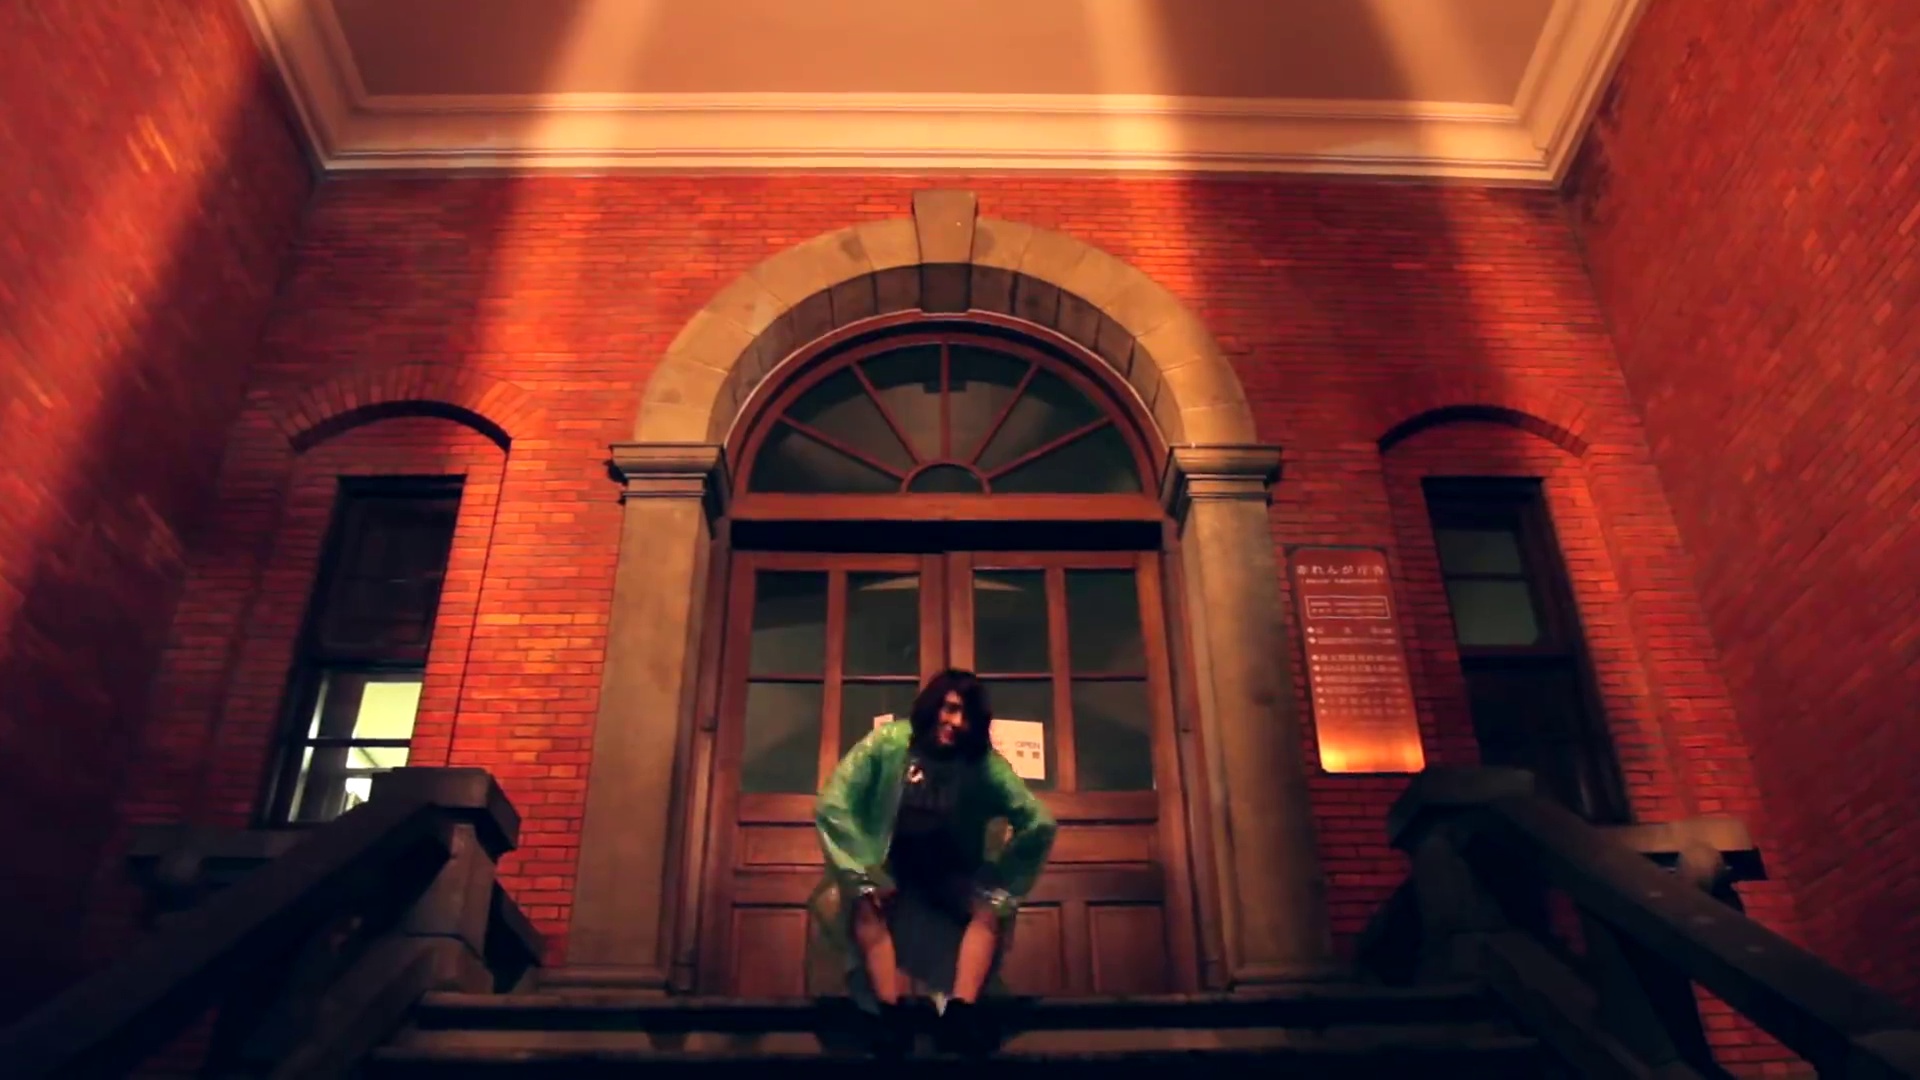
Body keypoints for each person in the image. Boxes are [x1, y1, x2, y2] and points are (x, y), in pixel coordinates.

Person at [810, 668, 1057, 1056]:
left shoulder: (982, 764)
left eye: (966, 716)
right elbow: (833, 803)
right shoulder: (889, 743)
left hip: (945, 865)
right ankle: (890, 1016)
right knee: (867, 903)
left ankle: (961, 1014)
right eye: (950, 708)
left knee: (989, 908)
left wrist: (1001, 876)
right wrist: (864, 871)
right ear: (932, 706)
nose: (956, 722)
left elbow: (1038, 821)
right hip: (888, 861)